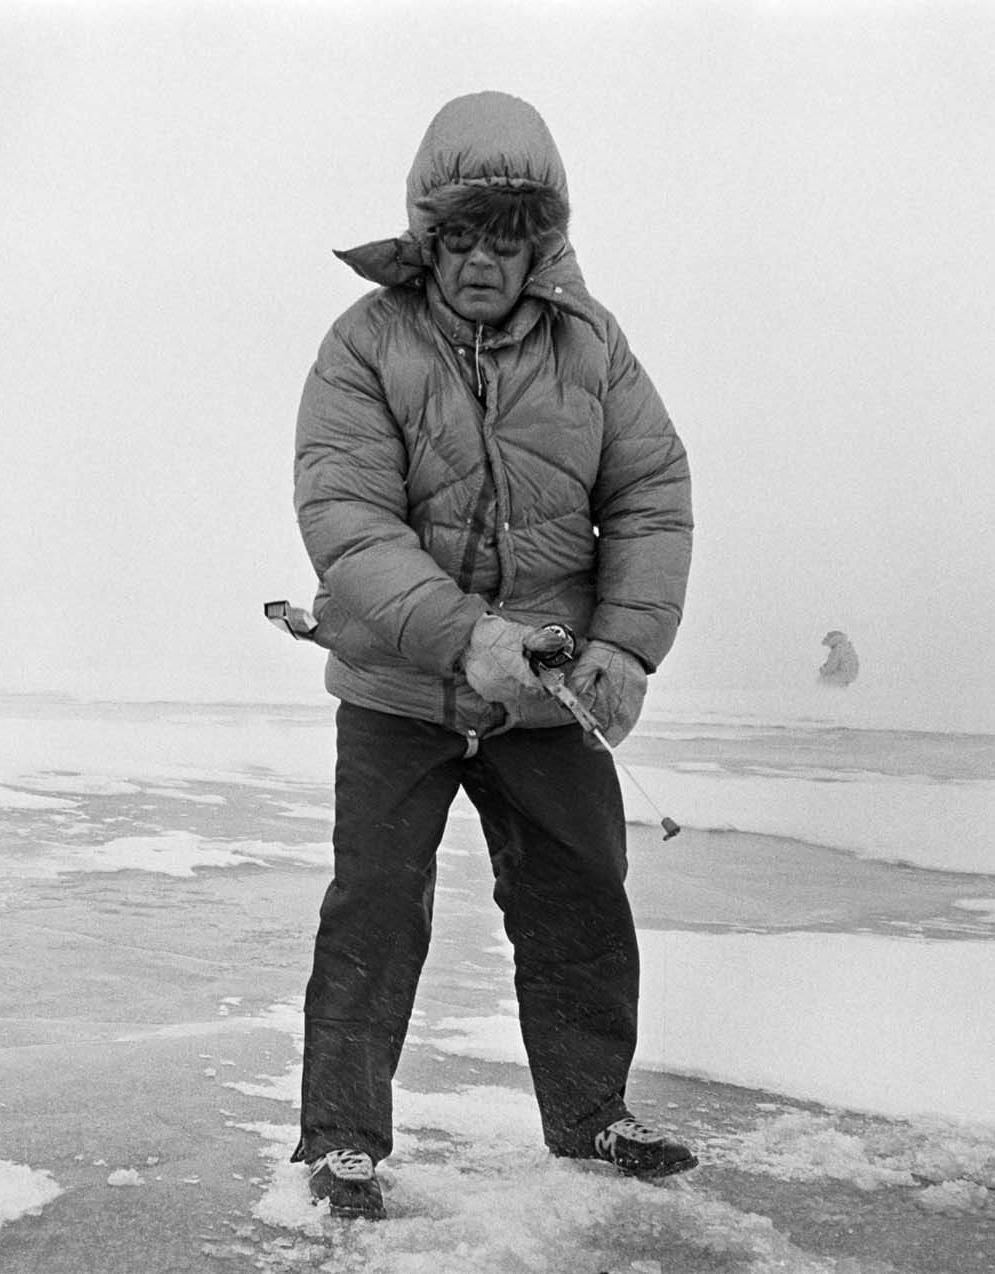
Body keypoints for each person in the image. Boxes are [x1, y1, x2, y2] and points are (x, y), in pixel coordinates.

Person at [289, 91, 695, 1219]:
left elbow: (651, 494)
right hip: (398, 687)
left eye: (504, 240)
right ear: (428, 237)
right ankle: (342, 1139)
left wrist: (626, 648)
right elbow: (347, 520)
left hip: (551, 697)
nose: (480, 262)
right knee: (376, 904)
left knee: (582, 896)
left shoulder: (591, 345)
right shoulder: (363, 344)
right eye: (460, 237)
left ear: (539, 245)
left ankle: (593, 1112)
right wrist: (467, 637)